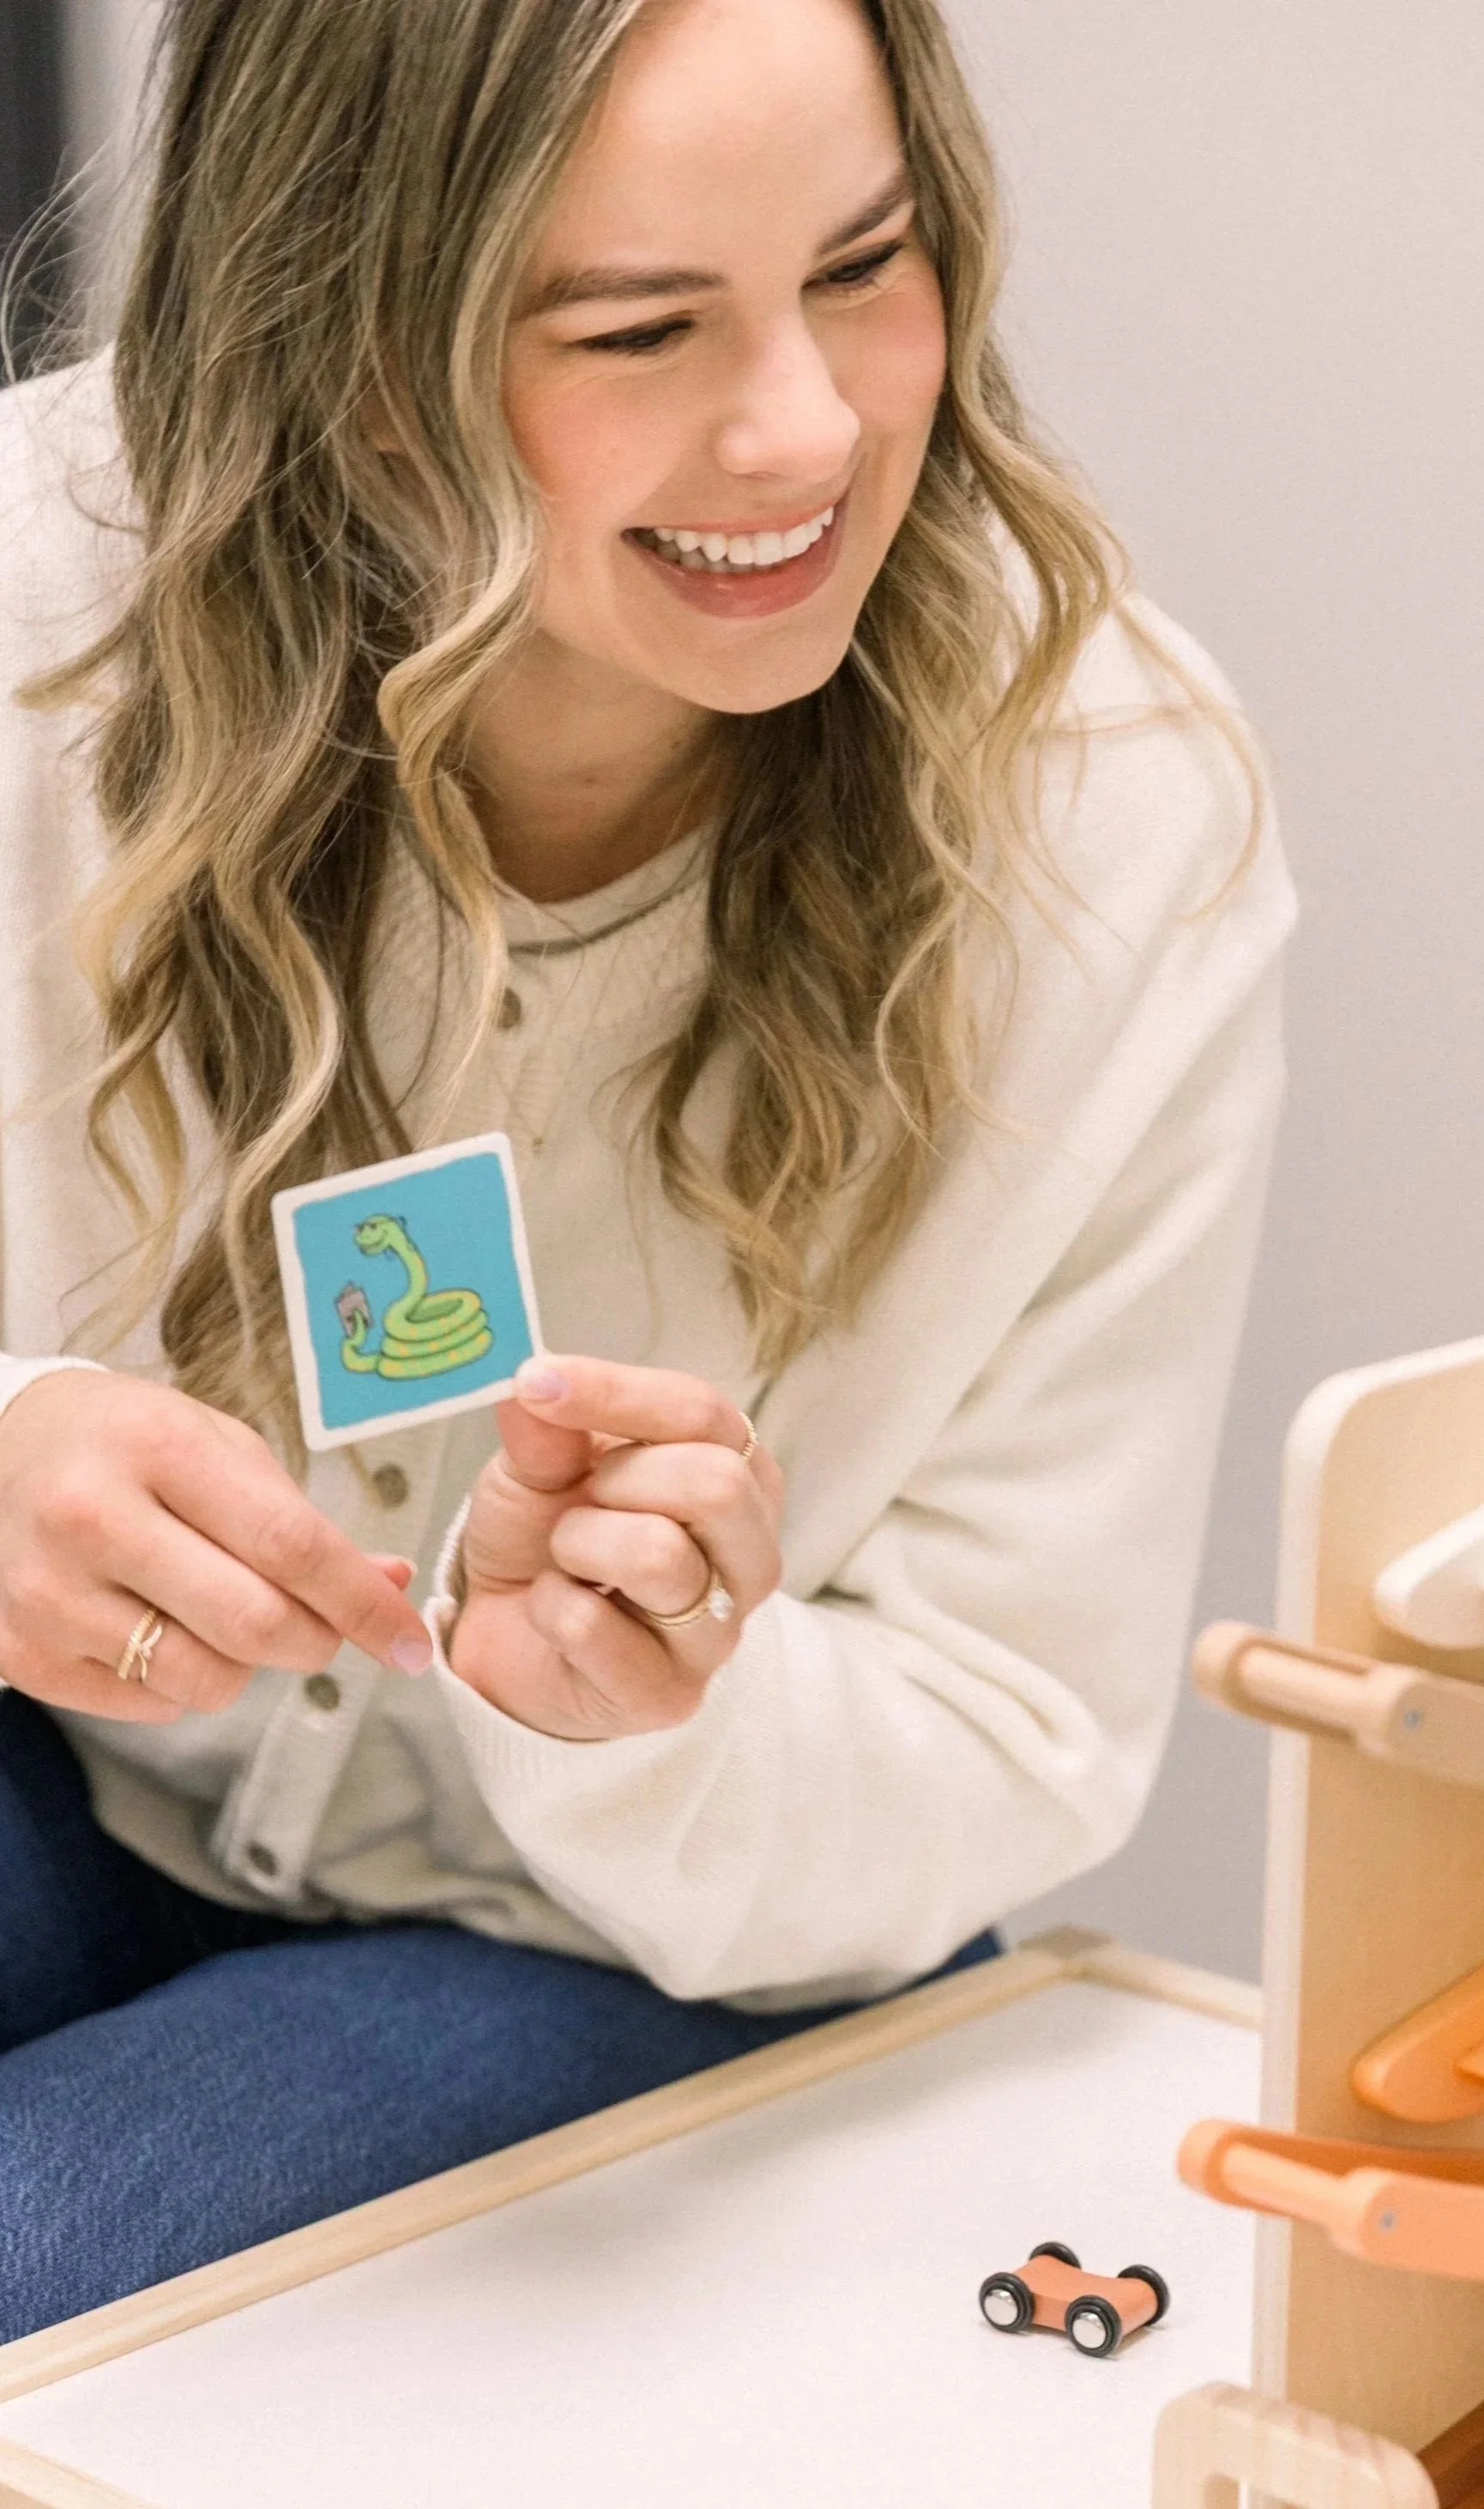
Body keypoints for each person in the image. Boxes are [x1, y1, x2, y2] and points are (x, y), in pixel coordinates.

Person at [0, 0, 1292, 2339]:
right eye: (633, 325)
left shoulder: (1111, 827)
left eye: (868, 263)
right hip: (67, 1772)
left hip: (630, 1927)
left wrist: (650, 1705)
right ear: (338, 332)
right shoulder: (29, 599)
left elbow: (1003, 1728)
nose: (804, 425)